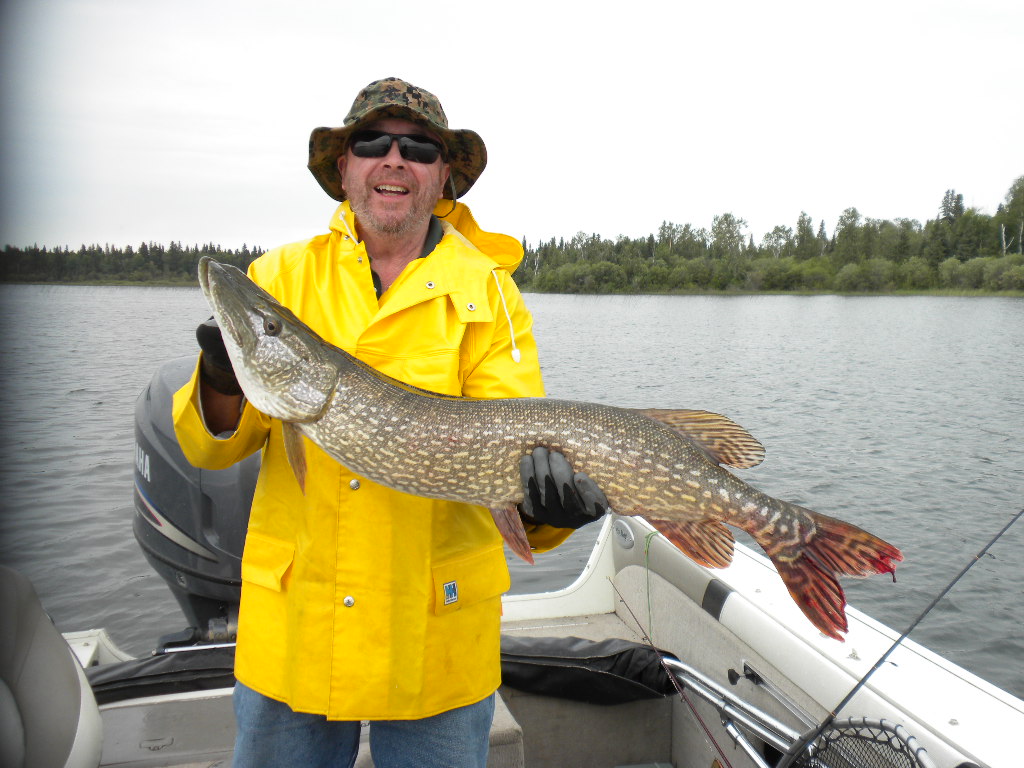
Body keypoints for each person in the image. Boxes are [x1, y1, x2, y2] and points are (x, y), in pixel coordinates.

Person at [172, 77, 606, 768]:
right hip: (297, 631)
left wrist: (558, 509)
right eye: (372, 143)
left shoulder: (488, 293)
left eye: (420, 148)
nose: (394, 160)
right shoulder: (282, 277)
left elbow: (514, 463)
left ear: (444, 178)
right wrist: (224, 381)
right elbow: (211, 446)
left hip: (434, 635)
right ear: (344, 168)